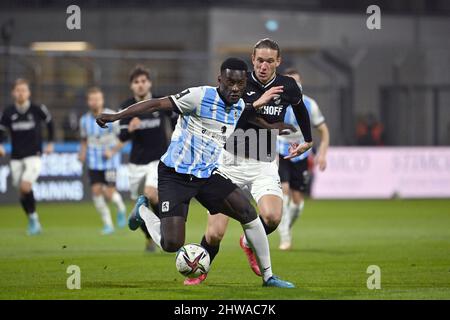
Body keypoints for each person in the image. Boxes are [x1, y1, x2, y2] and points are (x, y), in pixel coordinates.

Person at [96, 57, 301, 288]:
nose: (235, 89)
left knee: (248, 214)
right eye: (230, 83)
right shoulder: (199, 96)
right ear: (220, 80)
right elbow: (155, 104)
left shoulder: (239, 104)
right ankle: (143, 210)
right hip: (175, 175)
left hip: (207, 176)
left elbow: (249, 114)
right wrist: (115, 117)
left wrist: (274, 127)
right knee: (171, 244)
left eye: (240, 84)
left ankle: (269, 277)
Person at [190, 38, 313, 285]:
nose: (263, 66)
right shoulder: (238, 81)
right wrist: (258, 101)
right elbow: (229, 117)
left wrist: (308, 140)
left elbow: (300, 108)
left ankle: (248, 242)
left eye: (269, 61)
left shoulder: (288, 86)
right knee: (214, 233)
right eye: (259, 60)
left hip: (263, 164)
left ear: (278, 62)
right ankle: (200, 270)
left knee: (272, 217)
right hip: (228, 164)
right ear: (252, 59)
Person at [116, 66, 174, 251]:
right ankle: (150, 237)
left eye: (143, 81)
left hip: (157, 161)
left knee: (151, 195)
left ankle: (165, 234)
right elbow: (122, 136)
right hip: (136, 165)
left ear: (149, 83)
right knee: (141, 207)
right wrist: (130, 129)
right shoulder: (126, 107)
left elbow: (176, 120)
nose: (140, 85)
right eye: (136, 82)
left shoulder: (159, 102)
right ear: (131, 86)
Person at [277, 68, 330, 250]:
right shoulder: (277, 102)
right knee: (283, 192)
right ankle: (285, 237)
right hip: (280, 149)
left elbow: (324, 131)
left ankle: (286, 227)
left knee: (298, 203)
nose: (294, 85)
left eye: (297, 82)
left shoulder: (310, 104)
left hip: (301, 152)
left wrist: (322, 154)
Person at [0, 78, 54, 235]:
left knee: (25, 186)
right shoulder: (8, 112)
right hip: (16, 156)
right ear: (13, 93)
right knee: (22, 192)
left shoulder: (37, 109)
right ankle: (33, 219)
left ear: (28, 93)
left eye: (23, 90)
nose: (21, 93)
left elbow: (50, 123)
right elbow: (2, 131)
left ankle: (33, 221)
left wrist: (50, 143)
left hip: (34, 155)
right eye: (18, 90)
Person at [78, 87, 127, 235]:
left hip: (110, 162)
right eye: (92, 99)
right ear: (88, 101)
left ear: (102, 100)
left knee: (109, 193)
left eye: (97, 99)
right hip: (94, 162)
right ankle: (108, 225)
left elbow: (123, 138)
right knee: (96, 191)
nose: (95, 102)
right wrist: (82, 153)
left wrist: (112, 151)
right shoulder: (84, 120)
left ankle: (121, 209)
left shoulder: (112, 116)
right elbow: (85, 140)